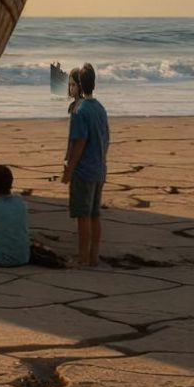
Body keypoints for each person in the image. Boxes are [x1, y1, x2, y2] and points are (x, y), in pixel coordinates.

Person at [62, 63, 109, 266]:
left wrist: (69, 169)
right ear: (94, 85)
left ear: (80, 86)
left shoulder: (80, 111)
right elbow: (106, 139)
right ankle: (94, 256)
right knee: (94, 214)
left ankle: (82, 257)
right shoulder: (100, 108)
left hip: (84, 171)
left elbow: (79, 142)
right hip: (99, 168)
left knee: (83, 216)